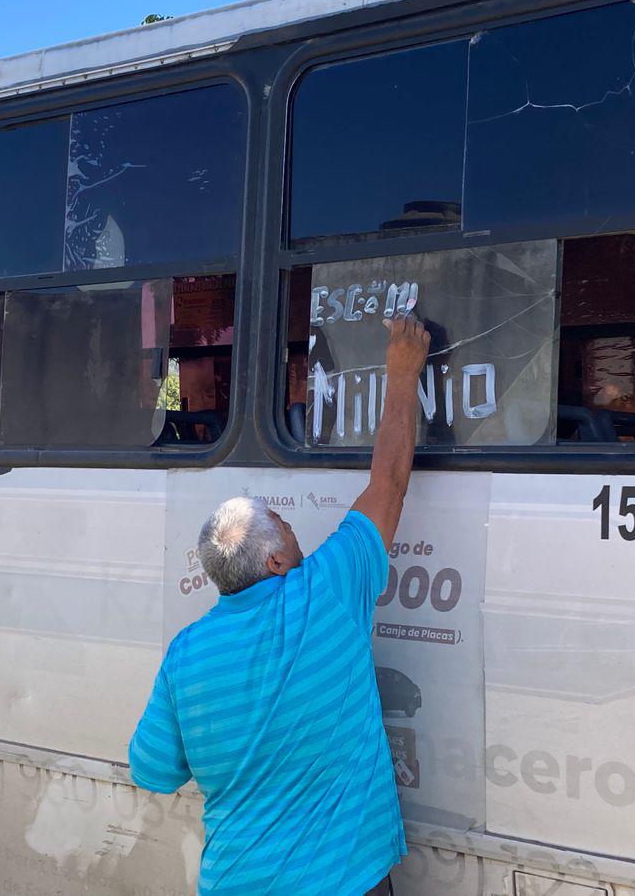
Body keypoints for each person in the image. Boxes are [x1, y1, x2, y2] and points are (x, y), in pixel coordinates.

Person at [128, 313, 433, 895]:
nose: (298, 535)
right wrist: (401, 372)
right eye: (287, 529)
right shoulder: (327, 593)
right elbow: (388, 481)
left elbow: (153, 770)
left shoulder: (185, 657)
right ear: (274, 562)